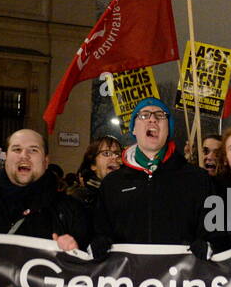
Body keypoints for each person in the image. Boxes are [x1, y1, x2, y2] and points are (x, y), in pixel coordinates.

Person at [92, 98, 221, 258]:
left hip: (179, 279)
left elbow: (216, 232)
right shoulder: (112, 184)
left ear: (168, 130)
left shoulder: (197, 179)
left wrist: (209, 245)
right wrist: (99, 242)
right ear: (133, 129)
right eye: (144, 115)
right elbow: (98, 230)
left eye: (160, 115)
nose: (152, 119)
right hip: (128, 279)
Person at [68, 135, 123, 210]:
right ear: (93, 164)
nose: (114, 157)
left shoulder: (127, 194)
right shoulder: (79, 199)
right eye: (106, 153)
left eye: (118, 154)